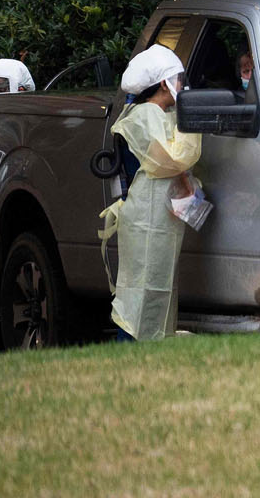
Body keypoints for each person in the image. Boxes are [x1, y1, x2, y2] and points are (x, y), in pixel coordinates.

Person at [107, 44, 201, 341]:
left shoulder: (154, 113)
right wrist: (191, 122)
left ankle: (151, 353)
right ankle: (130, 351)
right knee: (139, 293)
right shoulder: (146, 115)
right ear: (163, 83)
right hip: (146, 218)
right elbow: (173, 159)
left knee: (157, 287)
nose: (182, 86)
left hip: (158, 218)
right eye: (177, 79)